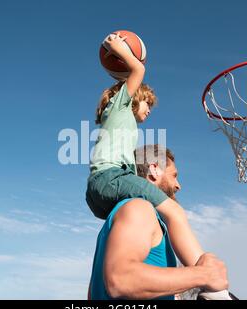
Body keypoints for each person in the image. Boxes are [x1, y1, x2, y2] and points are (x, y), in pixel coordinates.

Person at [87, 32, 204, 273]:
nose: (149, 110)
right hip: (111, 179)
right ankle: (208, 279)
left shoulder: (119, 122)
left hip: (97, 195)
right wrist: (120, 49)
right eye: (147, 104)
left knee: (141, 223)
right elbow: (137, 71)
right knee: (174, 211)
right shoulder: (120, 107)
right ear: (133, 99)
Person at [88, 145, 229, 299]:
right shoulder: (139, 208)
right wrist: (204, 275)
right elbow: (120, 279)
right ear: (154, 170)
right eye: (174, 175)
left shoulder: (115, 223)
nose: (178, 185)